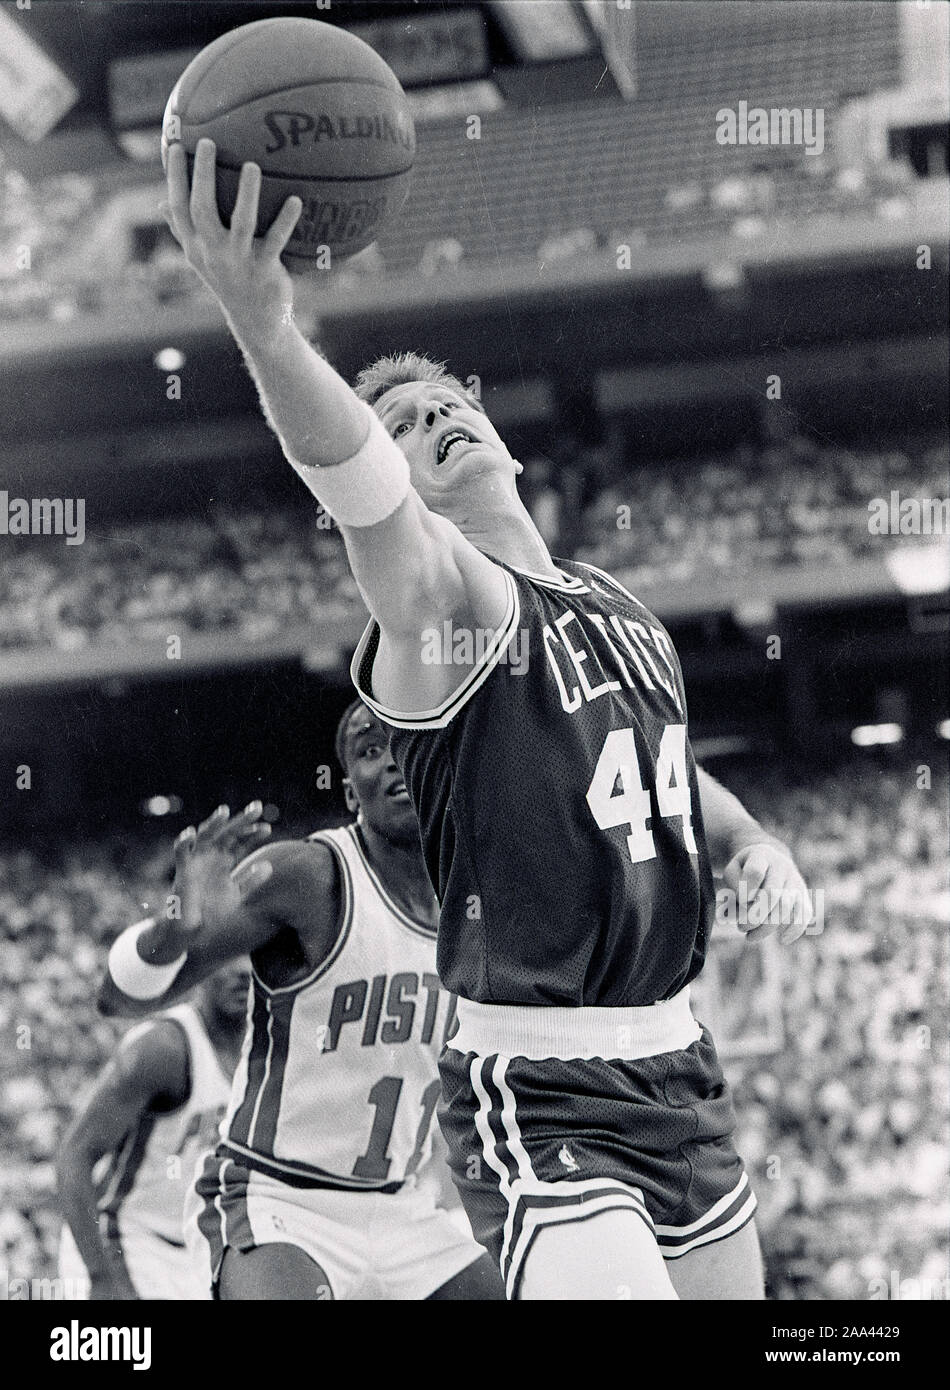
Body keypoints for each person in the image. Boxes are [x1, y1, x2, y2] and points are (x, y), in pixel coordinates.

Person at [157, 137, 814, 1299]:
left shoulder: (617, 606)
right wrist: (266, 327)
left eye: (447, 400)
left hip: (676, 1062)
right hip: (540, 1082)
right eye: (404, 420)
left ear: (502, 435)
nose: (433, 416)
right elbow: (353, 479)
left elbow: (659, 770)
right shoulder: (443, 603)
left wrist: (750, 841)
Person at [99, 701, 503, 1301]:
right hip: (280, 1199)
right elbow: (118, 1000)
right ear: (349, 791)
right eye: (370, 751)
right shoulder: (307, 876)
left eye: (408, 744)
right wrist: (173, 927)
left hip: (401, 1206)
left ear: (443, 764)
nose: (392, 763)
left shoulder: (479, 904)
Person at [58, 963, 248, 1300]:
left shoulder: (270, 1044)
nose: (244, 971)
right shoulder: (163, 1047)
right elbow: (74, 1155)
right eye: (231, 957)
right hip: (125, 1237)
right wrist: (99, 1276)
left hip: (199, 1249)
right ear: (202, 967)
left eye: (255, 954)